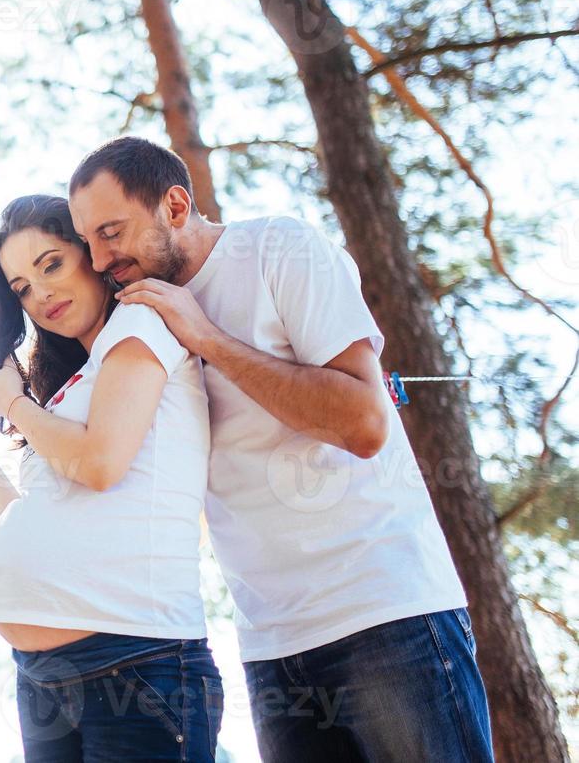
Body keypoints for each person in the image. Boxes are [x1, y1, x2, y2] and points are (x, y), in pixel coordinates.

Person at [66, 136, 492, 762]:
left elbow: (363, 422)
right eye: (89, 241)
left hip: (385, 615)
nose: (100, 259)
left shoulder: (280, 249)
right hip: (271, 650)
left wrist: (206, 337)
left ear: (176, 208)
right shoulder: (140, 316)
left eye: (112, 231)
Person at [0, 194, 223, 762]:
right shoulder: (71, 387)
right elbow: (54, 511)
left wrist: (13, 404)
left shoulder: (142, 322)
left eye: (51, 265)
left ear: (91, 252)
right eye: (20, 288)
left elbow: (100, 464)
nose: (40, 294)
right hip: (44, 677)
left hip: (135, 663)